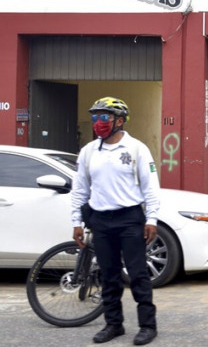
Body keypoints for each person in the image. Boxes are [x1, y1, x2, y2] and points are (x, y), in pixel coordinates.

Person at [71, 96, 161, 345]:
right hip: (100, 220)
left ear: (119, 121)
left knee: (137, 273)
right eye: (95, 118)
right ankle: (114, 324)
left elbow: (151, 187)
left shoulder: (137, 149)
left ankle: (147, 325)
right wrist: (77, 221)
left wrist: (151, 218)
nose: (98, 123)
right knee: (108, 275)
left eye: (104, 117)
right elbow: (80, 189)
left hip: (129, 218)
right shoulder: (88, 152)